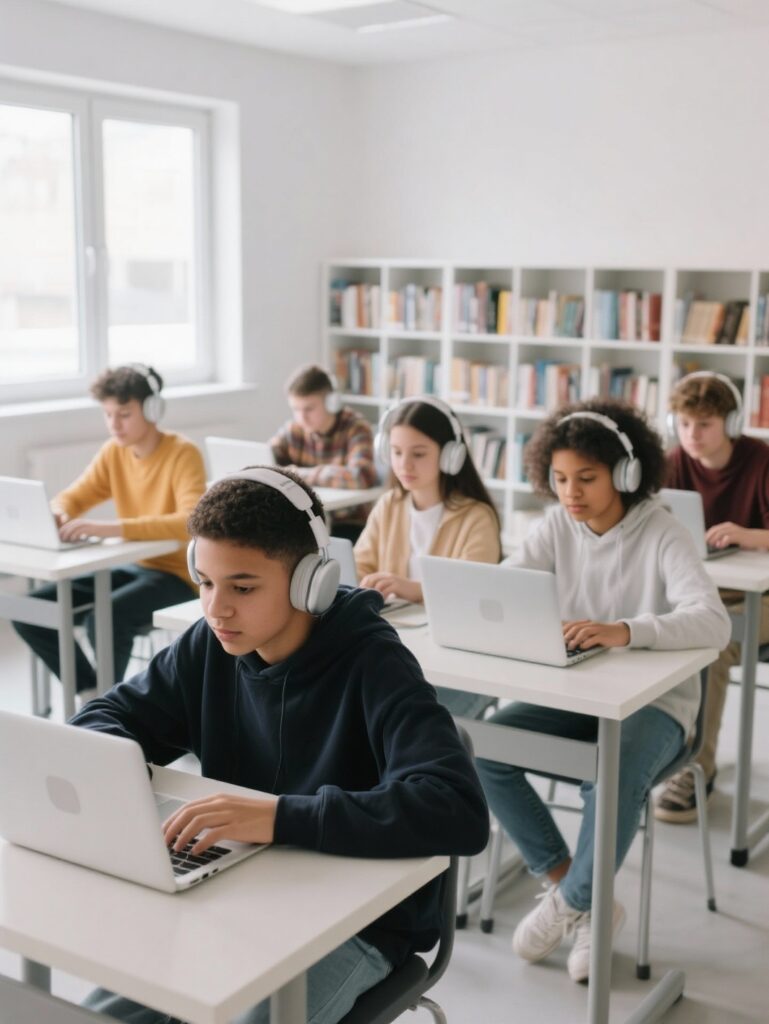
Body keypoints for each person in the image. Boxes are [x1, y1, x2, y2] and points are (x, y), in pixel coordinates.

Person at [71, 466, 489, 1024]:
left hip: (358, 924)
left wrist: (278, 818)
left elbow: (455, 810)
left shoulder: (375, 662)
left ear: (309, 582)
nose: (216, 608)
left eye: (242, 587)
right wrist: (125, 773)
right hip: (234, 895)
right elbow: (102, 717)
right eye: (206, 582)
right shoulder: (211, 644)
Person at [475, 399, 730, 984]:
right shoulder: (558, 526)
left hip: (659, 707)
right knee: (489, 748)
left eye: (586, 479)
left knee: (608, 772)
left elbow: (713, 623)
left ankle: (571, 907)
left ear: (626, 473)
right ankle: (577, 888)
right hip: (577, 692)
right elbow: (506, 586)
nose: (570, 493)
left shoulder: (662, 529)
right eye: (560, 479)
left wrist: (626, 631)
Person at [12, 364, 205, 704]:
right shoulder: (113, 453)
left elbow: (189, 520)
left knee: (103, 618)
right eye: (108, 414)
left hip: (176, 575)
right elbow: (74, 496)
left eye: (124, 414)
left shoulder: (182, 452)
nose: (114, 424)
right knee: (26, 609)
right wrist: (58, 513)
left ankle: (111, 709)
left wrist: (109, 528)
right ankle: (93, 694)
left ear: (152, 409)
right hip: (132, 566)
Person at [655, 371, 769, 823]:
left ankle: (696, 769)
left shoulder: (761, 460)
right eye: (683, 424)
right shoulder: (673, 462)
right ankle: (649, 752)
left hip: (760, 600)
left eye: (703, 424)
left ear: (731, 422)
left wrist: (748, 535)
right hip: (702, 591)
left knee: (712, 647)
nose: (692, 436)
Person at [354, 396, 501, 718]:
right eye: (396, 452)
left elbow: (476, 595)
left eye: (418, 454)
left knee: (413, 724)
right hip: (397, 647)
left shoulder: (476, 517)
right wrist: (362, 582)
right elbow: (359, 565)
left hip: (458, 661)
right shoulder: (389, 504)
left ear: (451, 456)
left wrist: (412, 589)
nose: (405, 465)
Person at [270, 363, 377, 541]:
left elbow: (361, 476)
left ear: (331, 402)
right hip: (304, 520)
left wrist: (300, 474)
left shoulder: (356, 428)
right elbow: (269, 458)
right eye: (296, 409)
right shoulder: (294, 429)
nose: (301, 417)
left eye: (309, 409)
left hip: (346, 523)